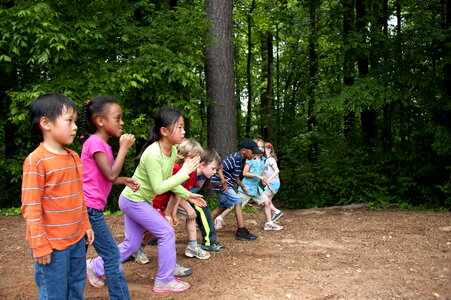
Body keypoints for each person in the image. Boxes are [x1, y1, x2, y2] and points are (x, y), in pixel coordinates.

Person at [86, 106, 206, 293]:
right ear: (164, 131)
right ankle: (164, 279)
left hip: (136, 200)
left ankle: (94, 267)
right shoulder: (152, 154)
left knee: (132, 244)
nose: (184, 132)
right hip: (133, 200)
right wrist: (184, 172)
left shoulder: (172, 151)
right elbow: (159, 188)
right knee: (166, 232)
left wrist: (187, 194)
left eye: (183, 127)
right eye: (180, 127)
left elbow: (167, 181)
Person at [21, 93, 94, 299]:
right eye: (69, 120)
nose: (75, 126)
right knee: (53, 293)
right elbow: (31, 207)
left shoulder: (74, 158)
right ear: (46, 123)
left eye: (75, 121)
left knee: (76, 288)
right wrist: (39, 245)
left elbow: (79, 197)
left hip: (77, 241)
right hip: (52, 248)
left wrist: (86, 224)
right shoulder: (36, 161)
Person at [80, 97, 140, 299]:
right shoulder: (96, 143)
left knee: (75, 256)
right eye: (117, 118)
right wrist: (123, 148)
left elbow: (105, 177)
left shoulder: (99, 144)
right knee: (112, 255)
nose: (121, 122)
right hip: (90, 210)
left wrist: (123, 180)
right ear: (100, 121)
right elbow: (110, 175)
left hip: (87, 208)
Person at [215, 139, 282, 231]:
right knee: (235, 205)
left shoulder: (263, 160)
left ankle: (269, 223)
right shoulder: (250, 160)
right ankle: (220, 218)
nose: (261, 149)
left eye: (263, 147)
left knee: (266, 202)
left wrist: (269, 186)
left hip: (256, 188)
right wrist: (255, 177)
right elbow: (244, 173)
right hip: (247, 187)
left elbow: (263, 175)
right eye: (259, 147)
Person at [210, 138, 261, 240]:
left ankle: (204, 223)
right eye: (253, 152)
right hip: (221, 184)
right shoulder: (234, 158)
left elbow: (234, 175)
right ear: (244, 150)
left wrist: (241, 185)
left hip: (225, 184)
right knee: (238, 201)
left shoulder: (241, 160)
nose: (254, 155)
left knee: (223, 206)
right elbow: (219, 167)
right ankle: (241, 231)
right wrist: (223, 180)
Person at [263, 142, 284, 222]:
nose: (267, 150)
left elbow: (277, 171)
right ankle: (273, 219)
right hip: (271, 184)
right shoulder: (266, 160)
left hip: (274, 184)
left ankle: (276, 211)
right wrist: (264, 180)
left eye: (269, 148)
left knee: (263, 200)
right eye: (266, 148)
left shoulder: (271, 159)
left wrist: (268, 180)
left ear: (271, 150)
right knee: (268, 201)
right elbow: (265, 172)